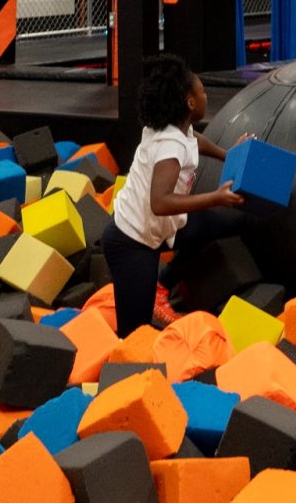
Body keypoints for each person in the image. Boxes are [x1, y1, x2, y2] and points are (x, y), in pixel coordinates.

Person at [98, 53, 250, 337]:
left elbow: (195, 141)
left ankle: (164, 282)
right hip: (133, 242)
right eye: (203, 92)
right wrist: (216, 197)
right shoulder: (169, 145)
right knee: (135, 336)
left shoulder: (178, 128)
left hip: (163, 229)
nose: (206, 96)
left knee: (222, 224)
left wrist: (229, 155)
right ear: (191, 103)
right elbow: (161, 202)